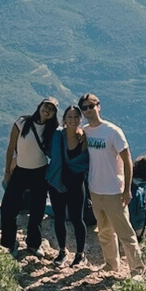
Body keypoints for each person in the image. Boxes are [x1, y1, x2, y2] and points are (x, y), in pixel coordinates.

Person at [78, 92, 144, 276]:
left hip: (114, 190)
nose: (88, 110)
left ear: (99, 106)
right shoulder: (86, 132)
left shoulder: (113, 131)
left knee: (125, 232)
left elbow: (127, 161)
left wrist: (126, 189)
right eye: (84, 108)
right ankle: (111, 264)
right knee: (104, 231)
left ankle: (137, 269)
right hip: (95, 189)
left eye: (91, 106)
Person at [0, 97, 59, 258]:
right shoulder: (22, 123)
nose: (47, 110)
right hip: (20, 171)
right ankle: (9, 243)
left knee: (37, 210)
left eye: (52, 109)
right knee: (8, 208)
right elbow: (11, 148)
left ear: (54, 113)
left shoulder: (53, 129)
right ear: (40, 106)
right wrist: (7, 172)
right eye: (46, 106)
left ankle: (34, 244)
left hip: (40, 173)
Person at [46, 104, 90, 266]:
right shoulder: (57, 135)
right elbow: (49, 152)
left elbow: (85, 159)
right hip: (57, 180)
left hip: (76, 182)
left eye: (76, 117)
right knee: (59, 217)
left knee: (77, 218)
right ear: (64, 119)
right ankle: (62, 251)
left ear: (80, 119)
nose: (73, 120)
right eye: (70, 117)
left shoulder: (84, 138)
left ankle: (80, 254)